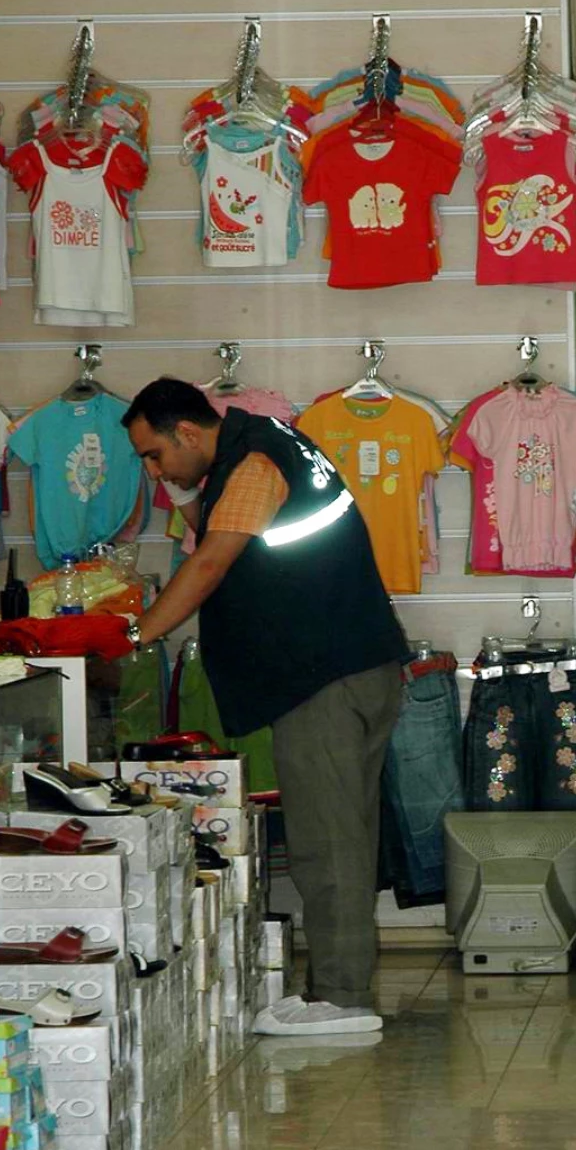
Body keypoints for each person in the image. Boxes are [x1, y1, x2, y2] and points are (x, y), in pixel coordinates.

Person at [121, 378, 409, 1034]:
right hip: (348, 665)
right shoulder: (267, 446)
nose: (152, 469)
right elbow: (222, 530)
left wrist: (136, 635)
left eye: (154, 455)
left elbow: (210, 564)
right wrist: (184, 489)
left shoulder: (253, 465)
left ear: (188, 434)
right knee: (342, 836)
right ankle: (334, 987)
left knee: (326, 842)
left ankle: (343, 999)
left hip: (323, 678)